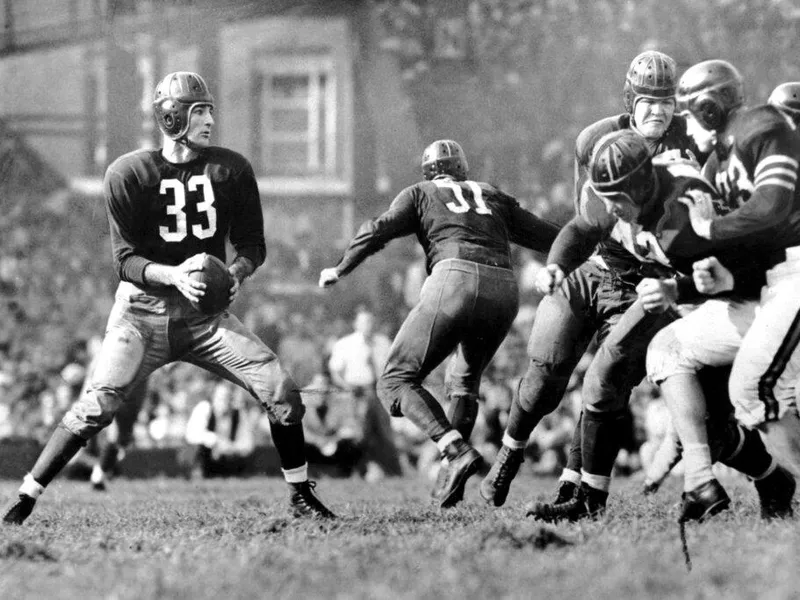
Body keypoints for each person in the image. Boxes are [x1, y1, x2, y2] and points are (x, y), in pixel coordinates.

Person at [2, 71, 335, 525]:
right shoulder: (129, 172)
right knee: (98, 405)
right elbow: (124, 260)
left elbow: (253, 244)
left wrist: (237, 272)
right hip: (141, 312)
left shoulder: (231, 169)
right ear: (172, 115)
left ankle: (299, 495)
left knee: (280, 389)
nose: (209, 120)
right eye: (199, 111)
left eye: (210, 110)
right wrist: (174, 274)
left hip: (204, 314)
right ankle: (26, 496)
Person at [493, 129, 782, 522]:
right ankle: (590, 501)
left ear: (642, 189)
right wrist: (557, 265)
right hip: (671, 291)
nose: (610, 210)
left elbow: (733, 274)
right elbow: (581, 228)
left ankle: (773, 477)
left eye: (617, 200)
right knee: (605, 374)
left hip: (740, 300)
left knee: (708, 426)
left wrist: (674, 289)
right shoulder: (615, 193)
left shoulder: (680, 220)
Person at [479, 50, 703, 509]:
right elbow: (586, 222)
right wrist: (559, 264)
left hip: (650, 283)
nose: (658, 110)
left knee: (606, 384)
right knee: (544, 370)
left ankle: (576, 485)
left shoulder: (694, 144)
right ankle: (510, 451)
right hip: (598, 267)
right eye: (648, 100)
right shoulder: (600, 141)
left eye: (666, 100)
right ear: (630, 101)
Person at [318, 139, 559, 507]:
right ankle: (452, 485)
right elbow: (547, 234)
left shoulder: (420, 192)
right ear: (463, 168)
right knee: (463, 383)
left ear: (429, 171)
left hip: (454, 279)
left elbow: (378, 228)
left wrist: (341, 266)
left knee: (395, 380)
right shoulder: (491, 193)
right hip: (503, 288)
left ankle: (455, 451)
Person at [649, 59, 800, 522]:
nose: (684, 125)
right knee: (668, 348)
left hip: (796, 274)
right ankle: (701, 480)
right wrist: (697, 282)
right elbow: (746, 251)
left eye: (689, 112)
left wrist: (708, 231)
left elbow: (771, 209)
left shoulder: (765, 124)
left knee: (753, 388)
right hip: (767, 288)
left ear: (708, 107)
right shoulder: (714, 163)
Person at [327, 307, 403, 479]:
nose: (368, 325)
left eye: (371, 321)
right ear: (356, 324)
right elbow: (335, 372)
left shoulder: (383, 342)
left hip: (380, 392)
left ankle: (393, 471)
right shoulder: (345, 344)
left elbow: (393, 366)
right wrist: (347, 388)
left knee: (384, 432)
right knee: (359, 432)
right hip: (357, 392)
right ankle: (355, 471)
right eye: (364, 322)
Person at [184, 379, 257, 479]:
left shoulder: (238, 414)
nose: (225, 402)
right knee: (197, 449)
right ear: (213, 398)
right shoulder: (204, 408)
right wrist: (216, 442)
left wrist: (230, 448)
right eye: (221, 398)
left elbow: (247, 444)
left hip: (228, 456)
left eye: (228, 398)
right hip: (207, 457)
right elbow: (192, 435)